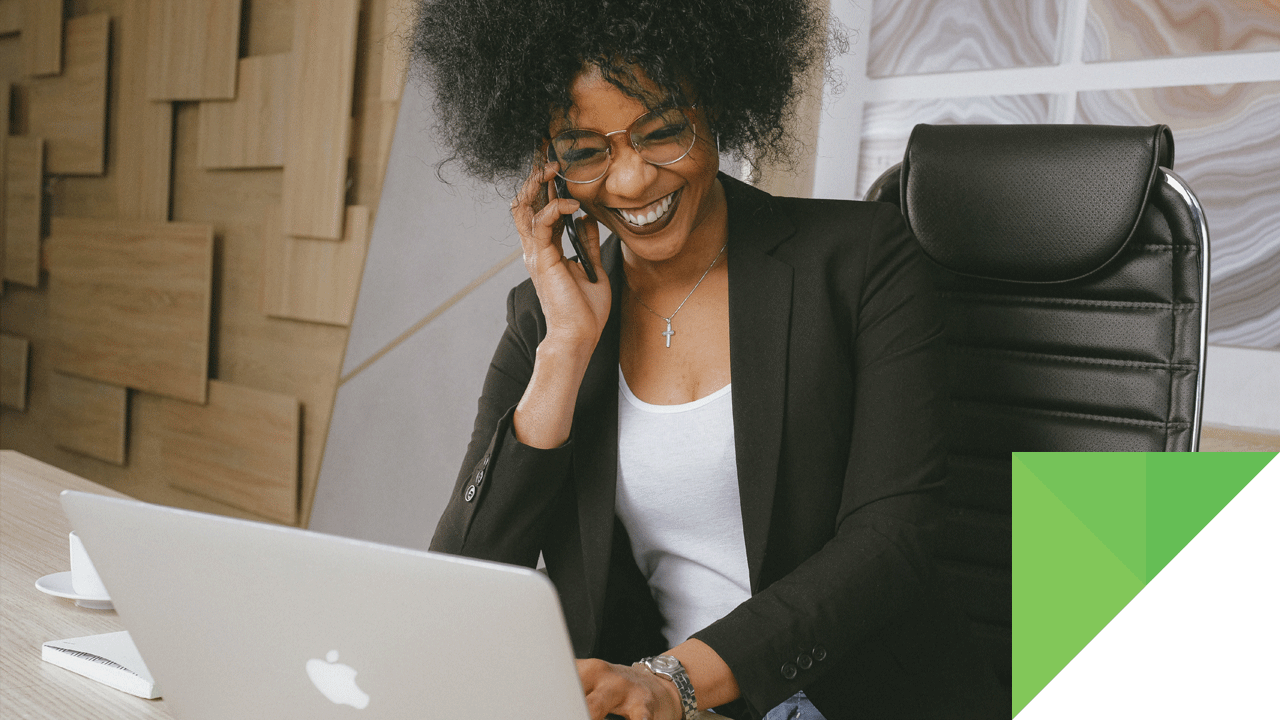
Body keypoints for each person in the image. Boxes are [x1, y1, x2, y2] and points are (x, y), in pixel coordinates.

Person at [413, 1, 1002, 718]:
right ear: (548, 161)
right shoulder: (547, 315)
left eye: (663, 132)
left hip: (843, 695)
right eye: (587, 150)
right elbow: (463, 585)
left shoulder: (860, 260)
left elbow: (891, 538)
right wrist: (565, 348)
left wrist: (672, 681)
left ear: (717, 105)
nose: (631, 181)